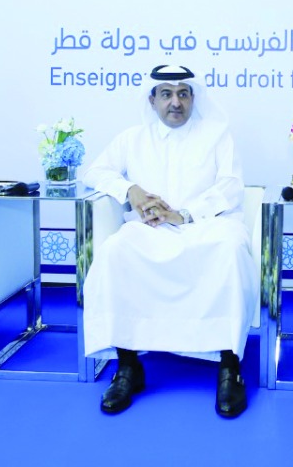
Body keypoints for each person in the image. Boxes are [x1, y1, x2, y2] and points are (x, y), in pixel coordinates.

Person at [81, 65, 256, 418]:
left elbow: (231, 185)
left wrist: (186, 214)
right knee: (116, 251)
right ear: (152, 99)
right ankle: (129, 365)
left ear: (193, 98)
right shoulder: (132, 138)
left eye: (183, 94)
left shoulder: (217, 134)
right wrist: (131, 190)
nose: (175, 102)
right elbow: (95, 172)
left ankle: (228, 366)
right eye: (166, 94)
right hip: (151, 229)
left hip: (207, 226)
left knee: (230, 250)